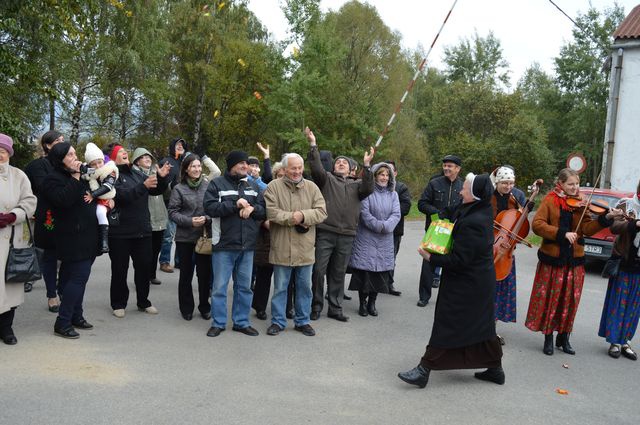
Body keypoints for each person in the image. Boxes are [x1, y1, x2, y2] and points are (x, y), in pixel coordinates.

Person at [398, 173, 504, 388]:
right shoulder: (475, 208)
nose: (459, 191)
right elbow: (452, 210)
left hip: (469, 284)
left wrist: (431, 257)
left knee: (447, 323)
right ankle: (495, 368)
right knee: (483, 326)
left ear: (474, 194)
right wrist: (438, 217)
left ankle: (424, 369)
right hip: (474, 282)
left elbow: (459, 260)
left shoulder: (476, 222)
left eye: (464, 188)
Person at [525, 168, 621, 355]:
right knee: (551, 299)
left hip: (574, 260)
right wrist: (561, 234)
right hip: (553, 259)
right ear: (560, 184)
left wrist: (606, 218)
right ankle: (548, 337)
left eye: (576, 184)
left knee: (570, 301)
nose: (575, 188)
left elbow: (587, 229)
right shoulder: (550, 200)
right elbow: (537, 225)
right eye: (570, 184)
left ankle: (564, 337)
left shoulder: (581, 203)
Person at [305, 127, 374, 322]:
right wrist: (313, 145)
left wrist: (367, 166)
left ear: (352, 168)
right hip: (325, 232)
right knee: (318, 270)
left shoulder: (357, 185)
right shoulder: (326, 179)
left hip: (347, 235)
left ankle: (335, 308)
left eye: (344, 162)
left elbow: (369, 187)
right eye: (338, 162)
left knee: (338, 272)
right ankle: (316, 306)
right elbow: (317, 168)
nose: (340, 163)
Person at [203, 150, 266, 338]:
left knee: (244, 287)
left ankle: (241, 322)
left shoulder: (254, 186)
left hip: (247, 246)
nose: (245, 166)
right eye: (241, 163)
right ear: (231, 165)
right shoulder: (216, 184)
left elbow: (264, 211)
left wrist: (253, 208)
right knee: (220, 287)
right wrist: (234, 205)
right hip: (224, 244)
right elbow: (210, 208)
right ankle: (219, 323)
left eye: (247, 163)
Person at [263, 153, 327, 336]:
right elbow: (272, 213)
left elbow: (322, 212)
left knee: (305, 288)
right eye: (293, 168)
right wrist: (294, 218)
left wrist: (304, 216)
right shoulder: (273, 187)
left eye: (300, 168)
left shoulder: (312, 187)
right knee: (280, 288)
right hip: (281, 248)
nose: (297, 171)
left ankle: (302, 321)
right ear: (284, 169)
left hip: (305, 249)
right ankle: (277, 321)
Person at [42, 142, 100, 339]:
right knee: (78, 278)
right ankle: (63, 321)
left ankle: (76, 315)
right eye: (70, 155)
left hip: (89, 235)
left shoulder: (81, 176)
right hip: (71, 238)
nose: (75, 158)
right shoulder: (52, 179)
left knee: (70, 279)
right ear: (59, 159)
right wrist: (75, 177)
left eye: (75, 153)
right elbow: (63, 201)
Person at [108, 144, 171, 318]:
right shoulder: (112, 176)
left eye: (125, 151)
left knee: (144, 268)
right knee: (120, 269)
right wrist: (143, 185)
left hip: (143, 230)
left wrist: (161, 177)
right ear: (113, 158)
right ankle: (118, 303)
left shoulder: (137, 174)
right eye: (120, 152)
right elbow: (122, 196)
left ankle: (144, 301)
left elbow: (156, 190)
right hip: (120, 233)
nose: (125, 153)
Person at [348, 163, 400, 317]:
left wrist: (386, 226)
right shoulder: (368, 192)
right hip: (366, 237)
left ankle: (372, 303)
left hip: (385, 239)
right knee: (365, 272)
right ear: (376, 176)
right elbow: (364, 213)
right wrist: (378, 226)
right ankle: (362, 303)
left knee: (379, 274)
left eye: (387, 175)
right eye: (381, 174)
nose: (384, 177)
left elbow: (396, 214)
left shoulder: (393, 194)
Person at [0, 134, 37, 345]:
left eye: (2, 151)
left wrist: (14, 215)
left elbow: (30, 201)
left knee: (10, 286)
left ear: (9, 154)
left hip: (11, 239)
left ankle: (6, 329)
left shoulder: (19, 175)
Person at [168, 154, 213, 321]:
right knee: (186, 274)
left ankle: (204, 306)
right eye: (193, 166)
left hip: (204, 236)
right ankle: (186, 307)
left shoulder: (208, 186)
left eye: (199, 166)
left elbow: (213, 208)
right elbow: (172, 212)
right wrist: (189, 221)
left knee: (205, 274)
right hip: (185, 238)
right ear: (186, 169)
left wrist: (206, 219)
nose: (197, 169)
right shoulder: (178, 189)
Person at [598, 184, 640, 360]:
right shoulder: (627, 203)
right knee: (619, 304)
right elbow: (615, 227)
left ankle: (625, 341)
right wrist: (635, 225)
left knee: (634, 307)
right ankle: (614, 341)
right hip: (624, 261)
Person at [24, 130, 65, 312]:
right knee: (48, 256)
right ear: (48, 146)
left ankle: (63, 290)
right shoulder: (37, 166)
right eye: (57, 141)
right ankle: (51, 295)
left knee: (68, 257)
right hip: (47, 216)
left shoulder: (68, 164)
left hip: (68, 217)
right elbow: (41, 188)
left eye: (63, 140)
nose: (62, 143)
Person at [416, 155, 463, 307]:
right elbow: (422, 204)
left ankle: (448, 298)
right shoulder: (434, 183)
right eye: (445, 165)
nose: (446, 168)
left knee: (452, 265)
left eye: (450, 166)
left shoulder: (463, 186)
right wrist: (437, 214)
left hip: (455, 231)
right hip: (434, 231)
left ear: (458, 169)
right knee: (428, 263)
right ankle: (424, 296)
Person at [489, 166, 528, 345]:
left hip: (506, 251)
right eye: (505, 182)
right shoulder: (488, 198)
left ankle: (492, 328)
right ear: (497, 182)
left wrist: (513, 239)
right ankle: (480, 327)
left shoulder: (515, 200)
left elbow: (519, 226)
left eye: (511, 183)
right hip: (489, 249)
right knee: (486, 291)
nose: (508, 186)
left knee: (499, 292)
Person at [131, 148, 168, 286]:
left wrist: (163, 177)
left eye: (149, 157)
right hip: (145, 218)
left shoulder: (155, 172)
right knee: (143, 253)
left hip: (159, 216)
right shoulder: (134, 174)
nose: (148, 159)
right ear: (137, 160)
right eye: (144, 157)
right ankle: (142, 277)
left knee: (156, 249)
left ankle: (151, 275)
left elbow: (163, 190)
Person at [158, 138, 188, 273]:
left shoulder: (185, 163)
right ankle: (164, 261)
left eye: (182, 145)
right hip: (169, 202)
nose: (180, 146)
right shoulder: (166, 162)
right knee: (169, 234)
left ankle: (179, 261)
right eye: (177, 144)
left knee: (182, 234)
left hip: (185, 203)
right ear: (172, 147)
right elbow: (162, 185)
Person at [83, 142, 118, 253]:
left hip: (104, 198)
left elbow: (107, 186)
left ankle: (104, 241)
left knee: (100, 213)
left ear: (103, 160)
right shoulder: (89, 173)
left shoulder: (110, 169)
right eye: (94, 164)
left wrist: (93, 195)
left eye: (99, 162)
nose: (98, 166)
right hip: (94, 200)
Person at [385, 160, 411, 296]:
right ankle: (375, 283)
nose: (387, 173)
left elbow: (406, 207)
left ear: (395, 172)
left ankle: (389, 283)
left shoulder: (401, 188)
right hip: (376, 228)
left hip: (395, 230)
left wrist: (388, 214)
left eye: (390, 170)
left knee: (391, 258)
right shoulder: (374, 186)